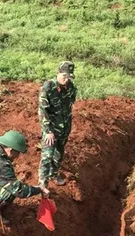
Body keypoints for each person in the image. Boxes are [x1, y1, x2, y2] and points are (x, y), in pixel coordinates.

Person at [38, 61, 78, 189]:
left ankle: (54, 175)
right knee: (47, 156)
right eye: (64, 76)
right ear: (58, 73)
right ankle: (43, 183)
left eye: (69, 77)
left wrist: (66, 127)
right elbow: (42, 111)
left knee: (59, 154)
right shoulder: (48, 87)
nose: (66, 80)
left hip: (64, 128)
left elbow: (70, 105)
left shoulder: (70, 87)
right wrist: (48, 131)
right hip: (51, 129)